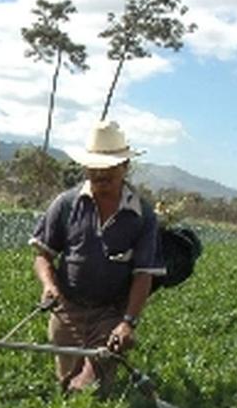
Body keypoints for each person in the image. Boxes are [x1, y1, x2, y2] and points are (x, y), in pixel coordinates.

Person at [28, 120, 166, 394]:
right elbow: (43, 256)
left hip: (110, 314)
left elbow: (143, 275)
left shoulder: (142, 216)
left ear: (125, 168)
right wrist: (49, 285)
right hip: (67, 309)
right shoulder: (66, 204)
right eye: (95, 174)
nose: (101, 182)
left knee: (89, 390)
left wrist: (128, 322)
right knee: (66, 386)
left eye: (108, 175)